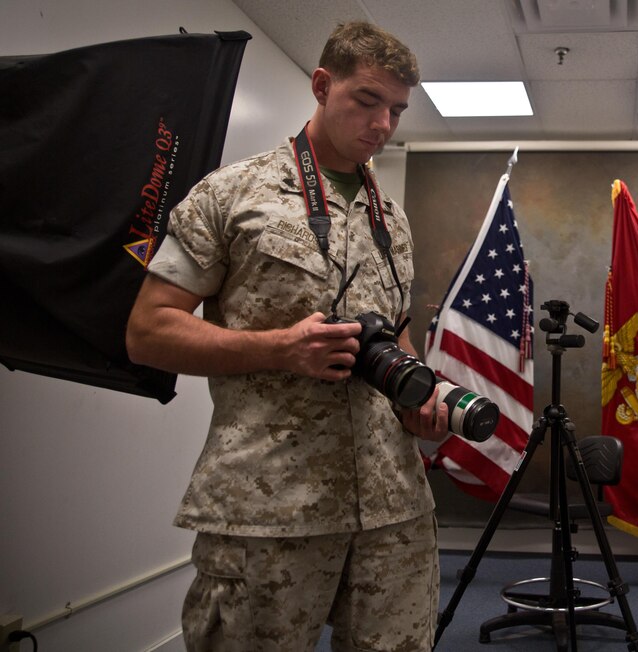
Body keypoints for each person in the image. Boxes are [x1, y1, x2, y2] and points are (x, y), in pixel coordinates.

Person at [126, 21, 447, 651]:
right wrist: (278, 348)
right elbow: (147, 332)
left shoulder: (392, 219)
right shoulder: (231, 193)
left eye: (397, 110)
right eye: (367, 100)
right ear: (322, 86)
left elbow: (397, 334)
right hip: (269, 508)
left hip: (394, 507)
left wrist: (422, 397)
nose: (383, 124)